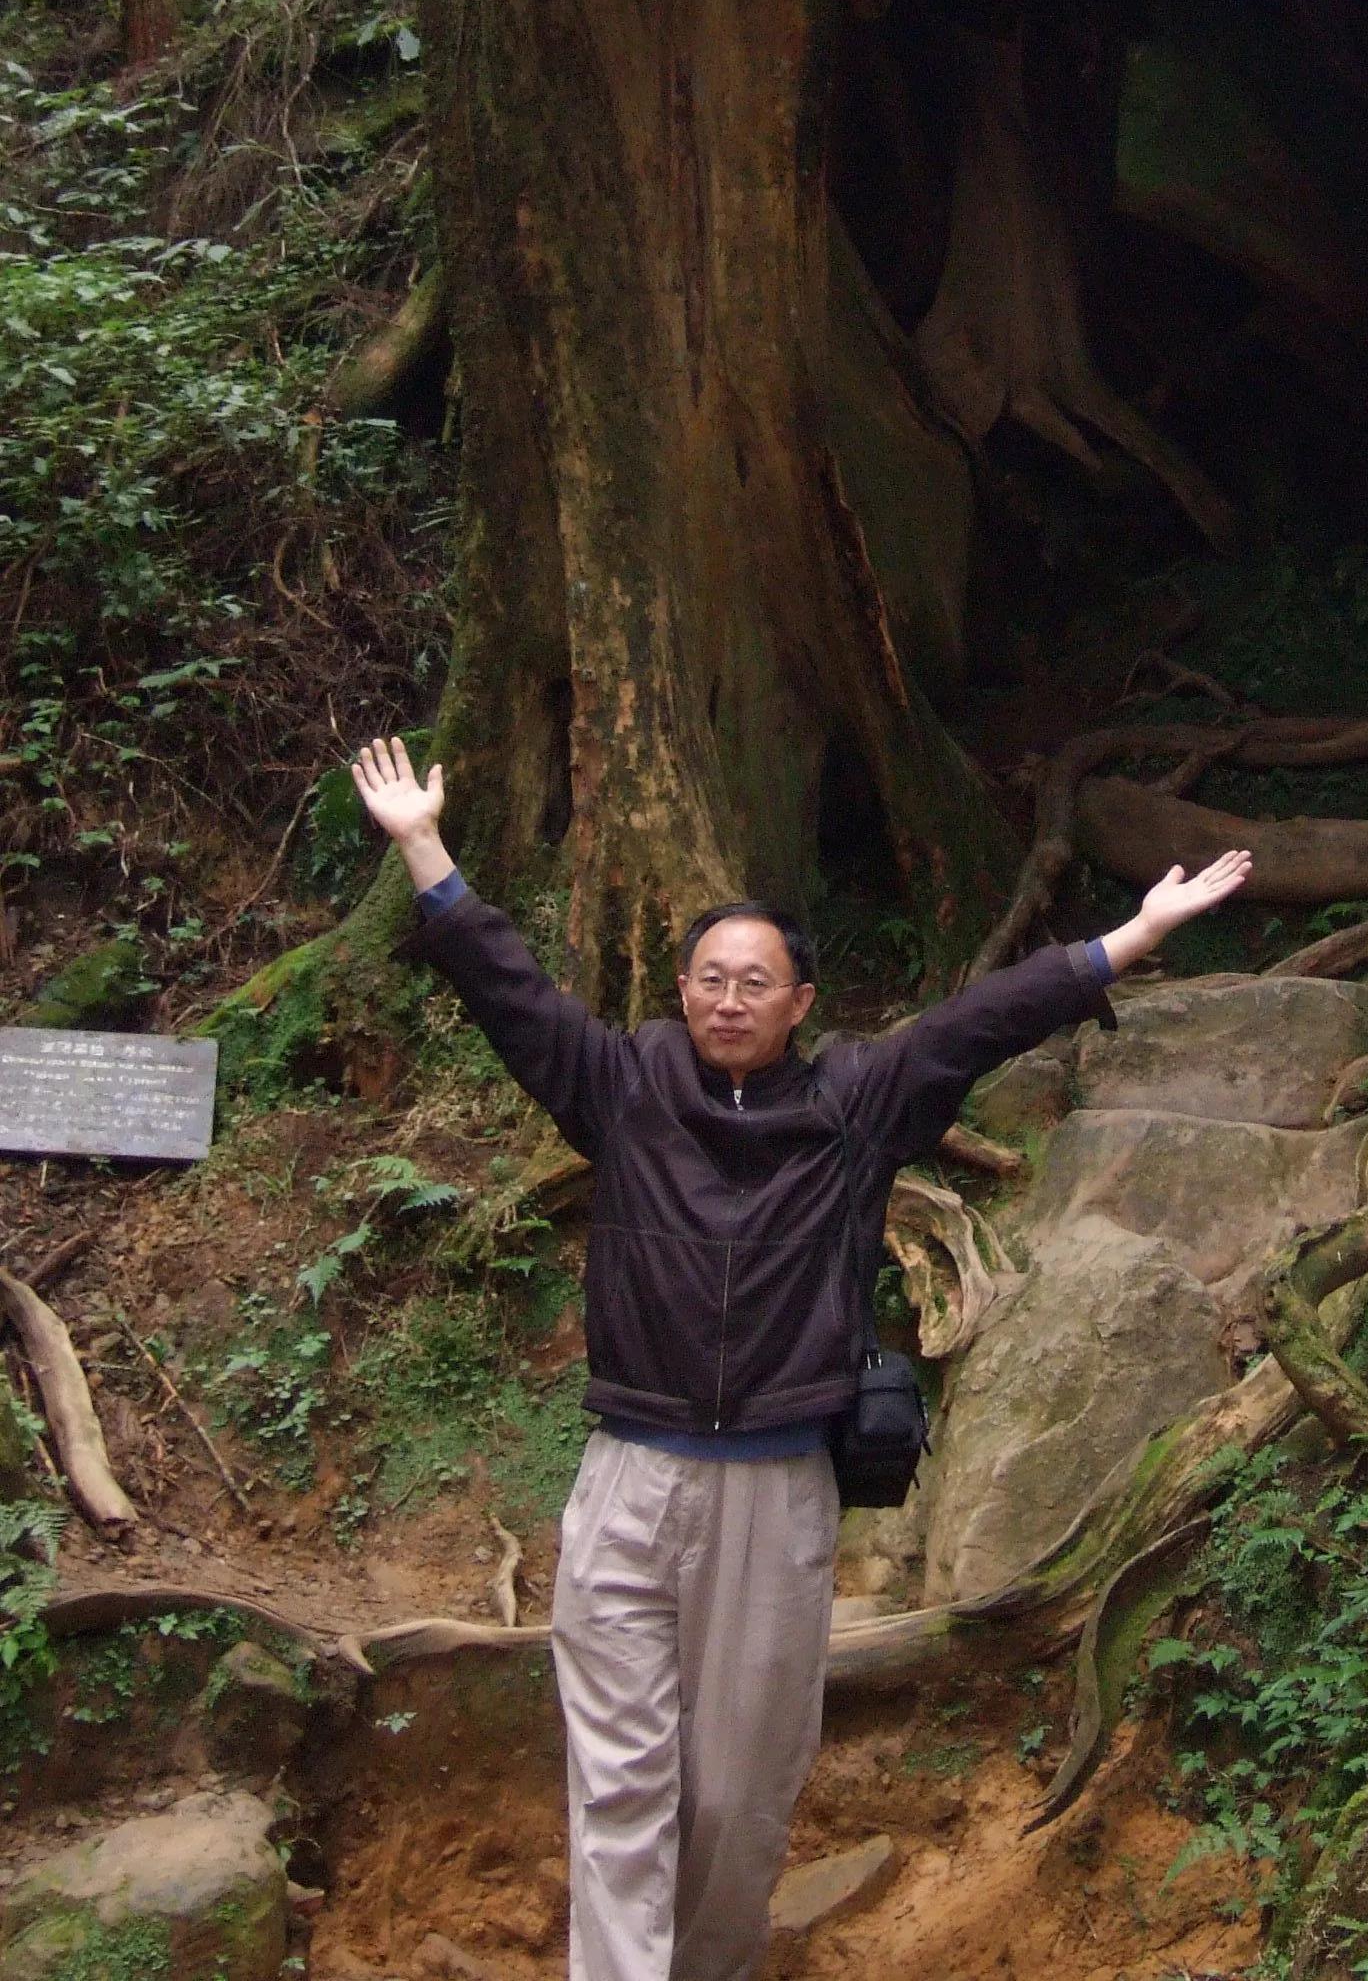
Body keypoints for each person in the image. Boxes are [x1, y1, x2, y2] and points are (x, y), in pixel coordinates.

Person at [350, 734, 1251, 1981]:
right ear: (681, 989)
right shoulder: (618, 1084)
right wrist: (422, 845)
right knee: (621, 1785)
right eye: (709, 976)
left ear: (798, 1003)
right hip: (631, 1482)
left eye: (755, 979)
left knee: (737, 1791)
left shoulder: (855, 1104)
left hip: (775, 1496)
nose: (728, 997)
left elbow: (972, 1027)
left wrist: (1127, 941)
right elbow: (510, 988)